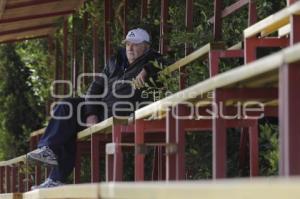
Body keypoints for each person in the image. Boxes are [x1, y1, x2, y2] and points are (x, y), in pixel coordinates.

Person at [27, 28, 163, 189]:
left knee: (67, 125)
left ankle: (56, 176)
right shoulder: (115, 61)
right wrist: (91, 113)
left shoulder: (152, 59)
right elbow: (95, 87)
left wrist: (147, 70)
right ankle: (48, 152)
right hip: (101, 110)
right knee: (66, 108)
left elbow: (164, 62)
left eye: (135, 44)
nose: (130, 48)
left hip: (121, 112)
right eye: (127, 44)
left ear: (146, 47)